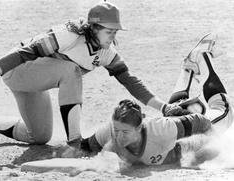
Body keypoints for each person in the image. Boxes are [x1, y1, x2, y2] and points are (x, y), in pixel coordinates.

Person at [0, 2, 182, 145]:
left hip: (36, 81)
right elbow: (26, 52)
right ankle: (75, 140)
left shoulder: (106, 53)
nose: (112, 36)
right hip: (17, 70)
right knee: (71, 70)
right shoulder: (68, 35)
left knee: (39, 137)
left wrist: (164, 107)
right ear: (93, 27)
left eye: (115, 32)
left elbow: (131, 81)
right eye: (109, 31)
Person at [76, 34, 234, 165]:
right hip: (173, 133)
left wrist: (216, 145)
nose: (119, 136)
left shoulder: (161, 130)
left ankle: (202, 55)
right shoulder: (110, 132)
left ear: (139, 128)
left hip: (196, 130)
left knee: (224, 109)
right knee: (175, 110)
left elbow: (201, 122)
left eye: (125, 132)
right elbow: (84, 147)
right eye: (117, 131)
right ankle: (188, 69)